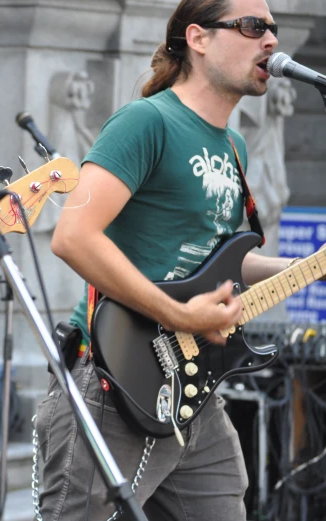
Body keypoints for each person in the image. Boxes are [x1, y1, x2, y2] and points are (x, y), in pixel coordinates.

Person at [36, 0, 301, 519]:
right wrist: (178, 314)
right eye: (251, 27)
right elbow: (73, 236)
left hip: (192, 382)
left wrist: (311, 266)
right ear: (198, 40)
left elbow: (224, 258)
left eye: (273, 28)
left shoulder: (235, 148)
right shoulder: (145, 122)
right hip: (114, 374)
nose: (270, 40)